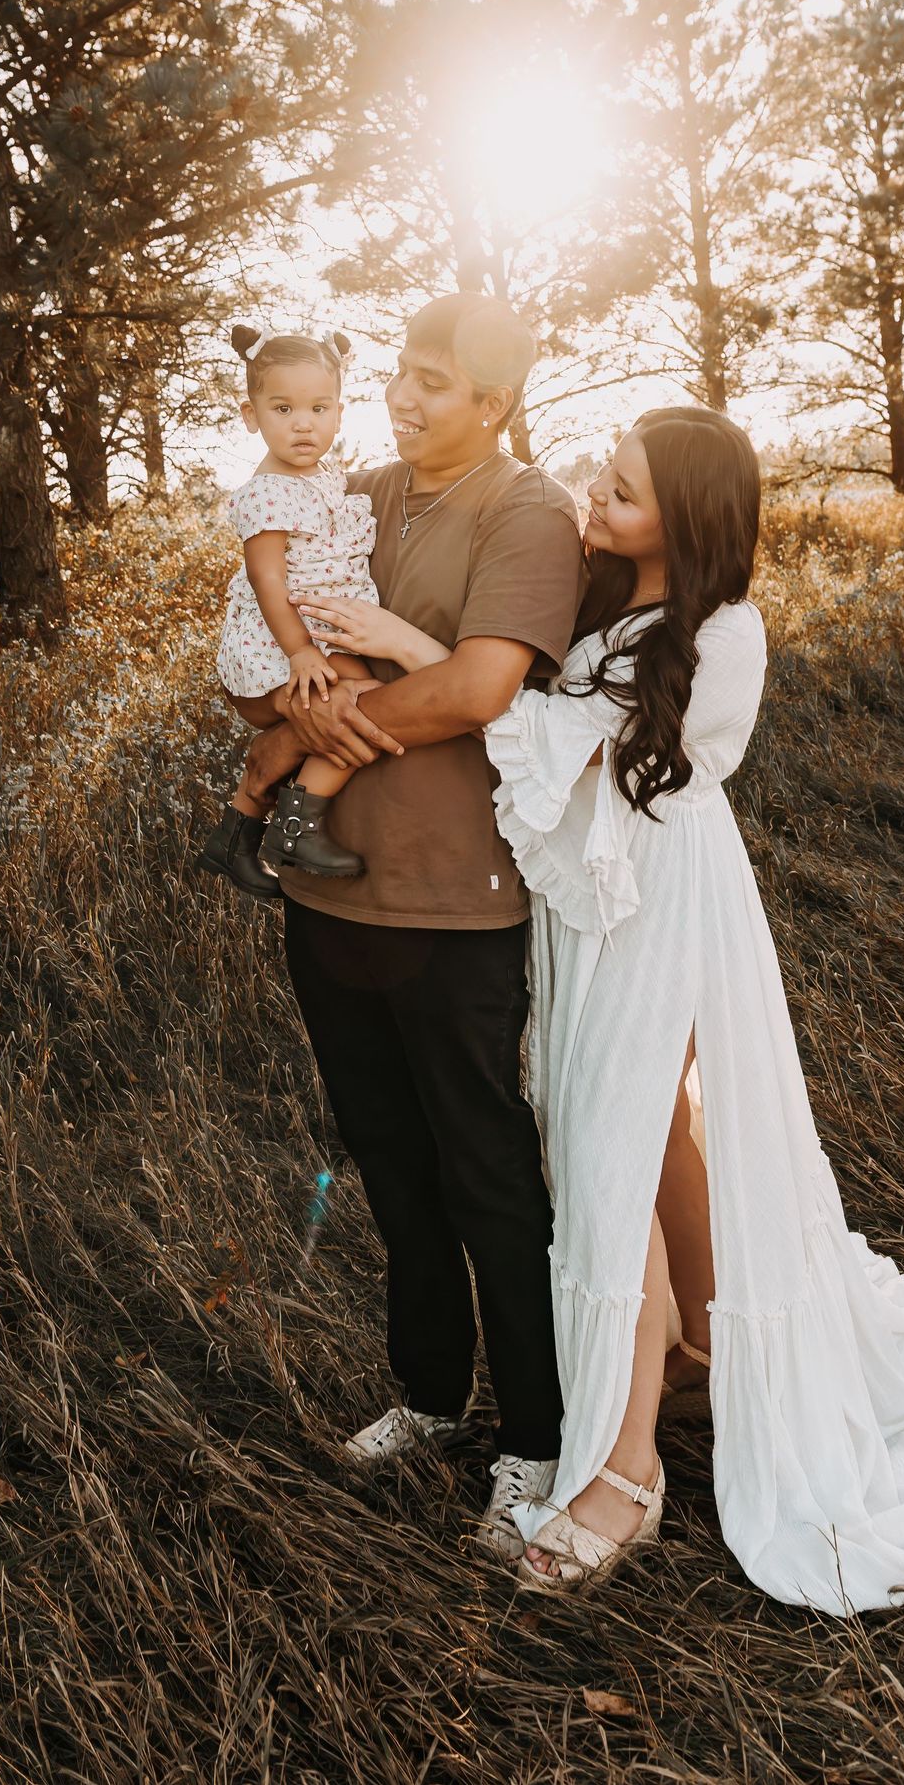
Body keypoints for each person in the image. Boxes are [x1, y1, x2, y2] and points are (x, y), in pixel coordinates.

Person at [467, 406, 904, 1608]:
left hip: (660, 898)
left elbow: (613, 759)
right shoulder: (601, 595)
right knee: (637, 1124)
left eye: (621, 491)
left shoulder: (724, 632)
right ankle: (698, 1342)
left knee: (604, 1147)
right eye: (600, 479)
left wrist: (435, 663)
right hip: (583, 905)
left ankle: (623, 1466)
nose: (594, 500)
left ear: (691, 519)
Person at [226, 294, 585, 1562]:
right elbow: (263, 607)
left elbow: (485, 688)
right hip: (328, 891)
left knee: (489, 1176)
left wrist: (316, 726)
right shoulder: (355, 488)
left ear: (494, 401)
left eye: (437, 382)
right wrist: (287, 712)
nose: (404, 398)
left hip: (454, 898)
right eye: (401, 374)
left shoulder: (526, 510)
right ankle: (433, 1393)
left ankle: (536, 1439)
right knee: (388, 1159)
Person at [197, 325, 381, 900]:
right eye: (283, 408)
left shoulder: (322, 477)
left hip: (312, 639)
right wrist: (301, 650)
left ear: (339, 413)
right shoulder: (269, 489)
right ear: (251, 416)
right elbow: (266, 578)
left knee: (352, 703)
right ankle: (299, 828)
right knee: (363, 701)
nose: (303, 423)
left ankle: (234, 836)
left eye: (318, 407)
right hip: (275, 651)